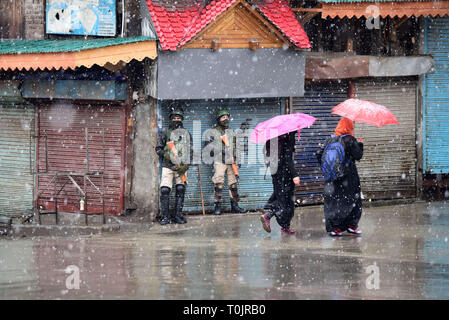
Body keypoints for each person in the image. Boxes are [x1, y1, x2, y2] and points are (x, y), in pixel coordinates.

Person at [316, 118, 364, 236]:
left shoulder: (329, 139)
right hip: (348, 176)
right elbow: (358, 155)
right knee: (352, 200)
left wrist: (329, 168)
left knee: (333, 201)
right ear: (349, 128)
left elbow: (318, 153)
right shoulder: (350, 139)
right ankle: (352, 225)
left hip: (331, 177)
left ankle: (334, 228)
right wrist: (360, 144)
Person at [204, 109, 246, 215]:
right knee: (218, 183)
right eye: (223, 117)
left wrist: (238, 160)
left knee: (233, 184)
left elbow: (237, 147)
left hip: (231, 161)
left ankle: (235, 206)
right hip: (219, 161)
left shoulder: (231, 132)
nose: (225, 119)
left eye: (227, 117)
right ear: (219, 119)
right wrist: (220, 149)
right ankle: (217, 207)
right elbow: (208, 146)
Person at [155, 107, 192, 225]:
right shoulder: (165, 132)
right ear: (171, 119)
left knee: (181, 189)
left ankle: (177, 215)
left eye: (179, 118)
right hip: (168, 165)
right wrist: (168, 156)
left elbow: (190, 151)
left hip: (181, 167)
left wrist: (185, 166)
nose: (177, 120)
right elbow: (158, 149)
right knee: (165, 190)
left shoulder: (186, 134)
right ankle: (165, 216)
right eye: (175, 118)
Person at [260, 131, 300, 234]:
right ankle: (268, 215)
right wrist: (294, 174)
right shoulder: (288, 136)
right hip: (284, 173)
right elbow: (288, 158)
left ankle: (285, 226)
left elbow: (264, 150)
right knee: (285, 200)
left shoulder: (273, 137)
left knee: (280, 196)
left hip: (275, 172)